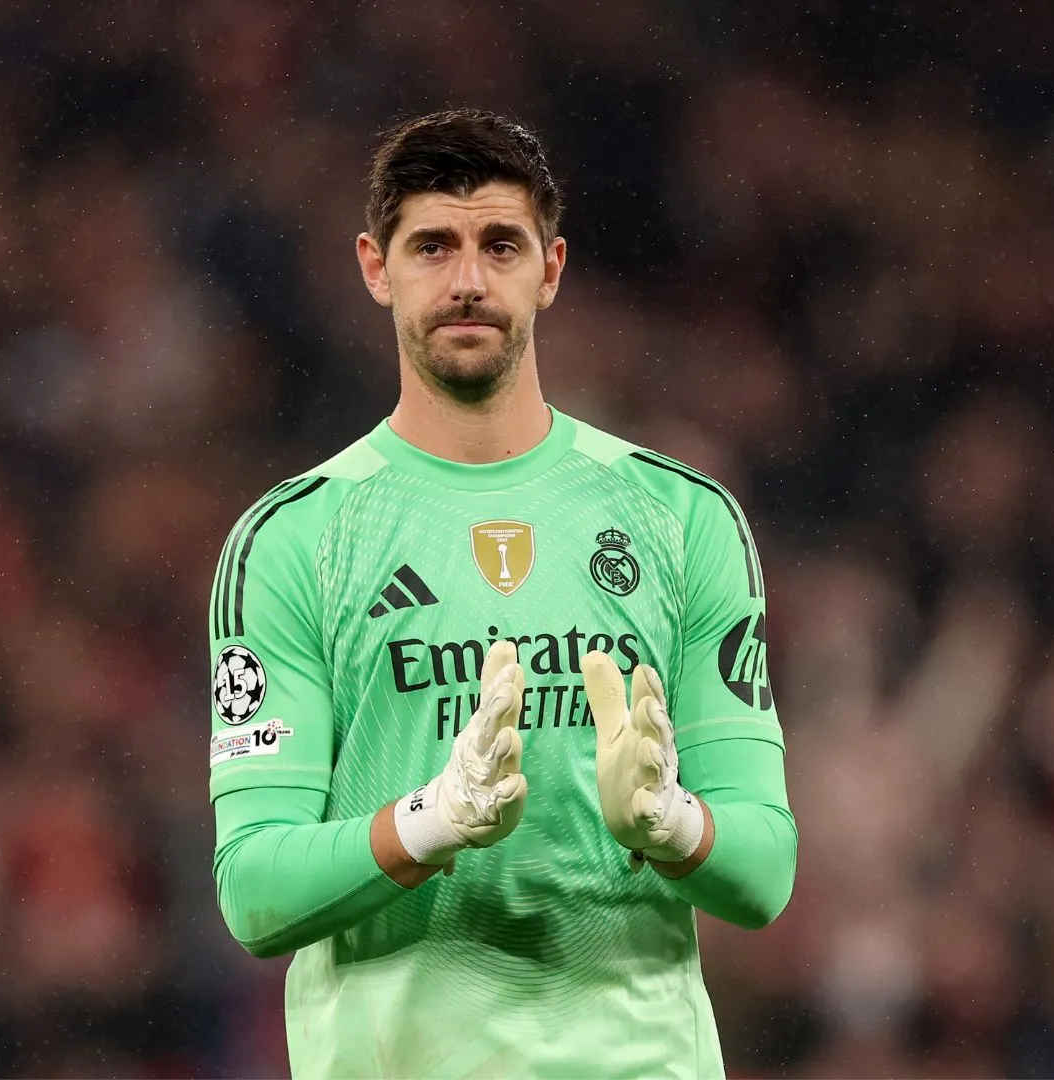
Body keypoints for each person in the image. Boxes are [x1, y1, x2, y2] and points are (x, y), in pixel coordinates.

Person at [207, 109, 797, 1079]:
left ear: (551, 270)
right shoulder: (293, 541)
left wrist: (670, 823)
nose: (469, 279)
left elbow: (764, 870)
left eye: (501, 246)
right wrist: (432, 821)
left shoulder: (683, 519)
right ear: (375, 267)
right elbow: (255, 892)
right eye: (433, 245)